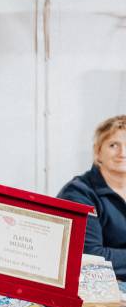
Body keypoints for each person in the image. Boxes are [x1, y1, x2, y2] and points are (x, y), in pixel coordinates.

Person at [58, 115, 126, 281]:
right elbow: (90, 256)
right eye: (113, 145)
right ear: (98, 151)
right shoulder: (78, 193)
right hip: (98, 284)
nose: (122, 153)